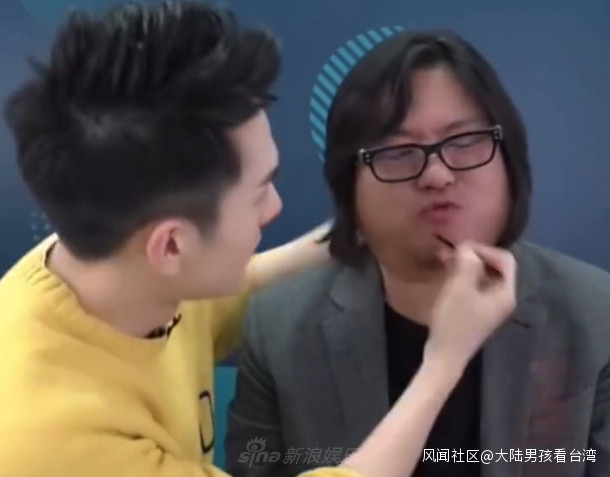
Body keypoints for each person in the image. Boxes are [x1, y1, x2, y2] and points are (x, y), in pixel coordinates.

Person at [0, 3, 518, 477]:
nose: (276, 208)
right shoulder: (58, 441)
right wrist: (444, 360)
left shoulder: (104, 265)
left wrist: (368, 222)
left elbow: (224, 294)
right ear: (171, 246)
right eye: (258, 193)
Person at [224, 30, 610, 477]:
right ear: (350, 185)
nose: (437, 174)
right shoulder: (278, 329)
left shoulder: (594, 315)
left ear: (510, 160)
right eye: (398, 151)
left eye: (464, 141)